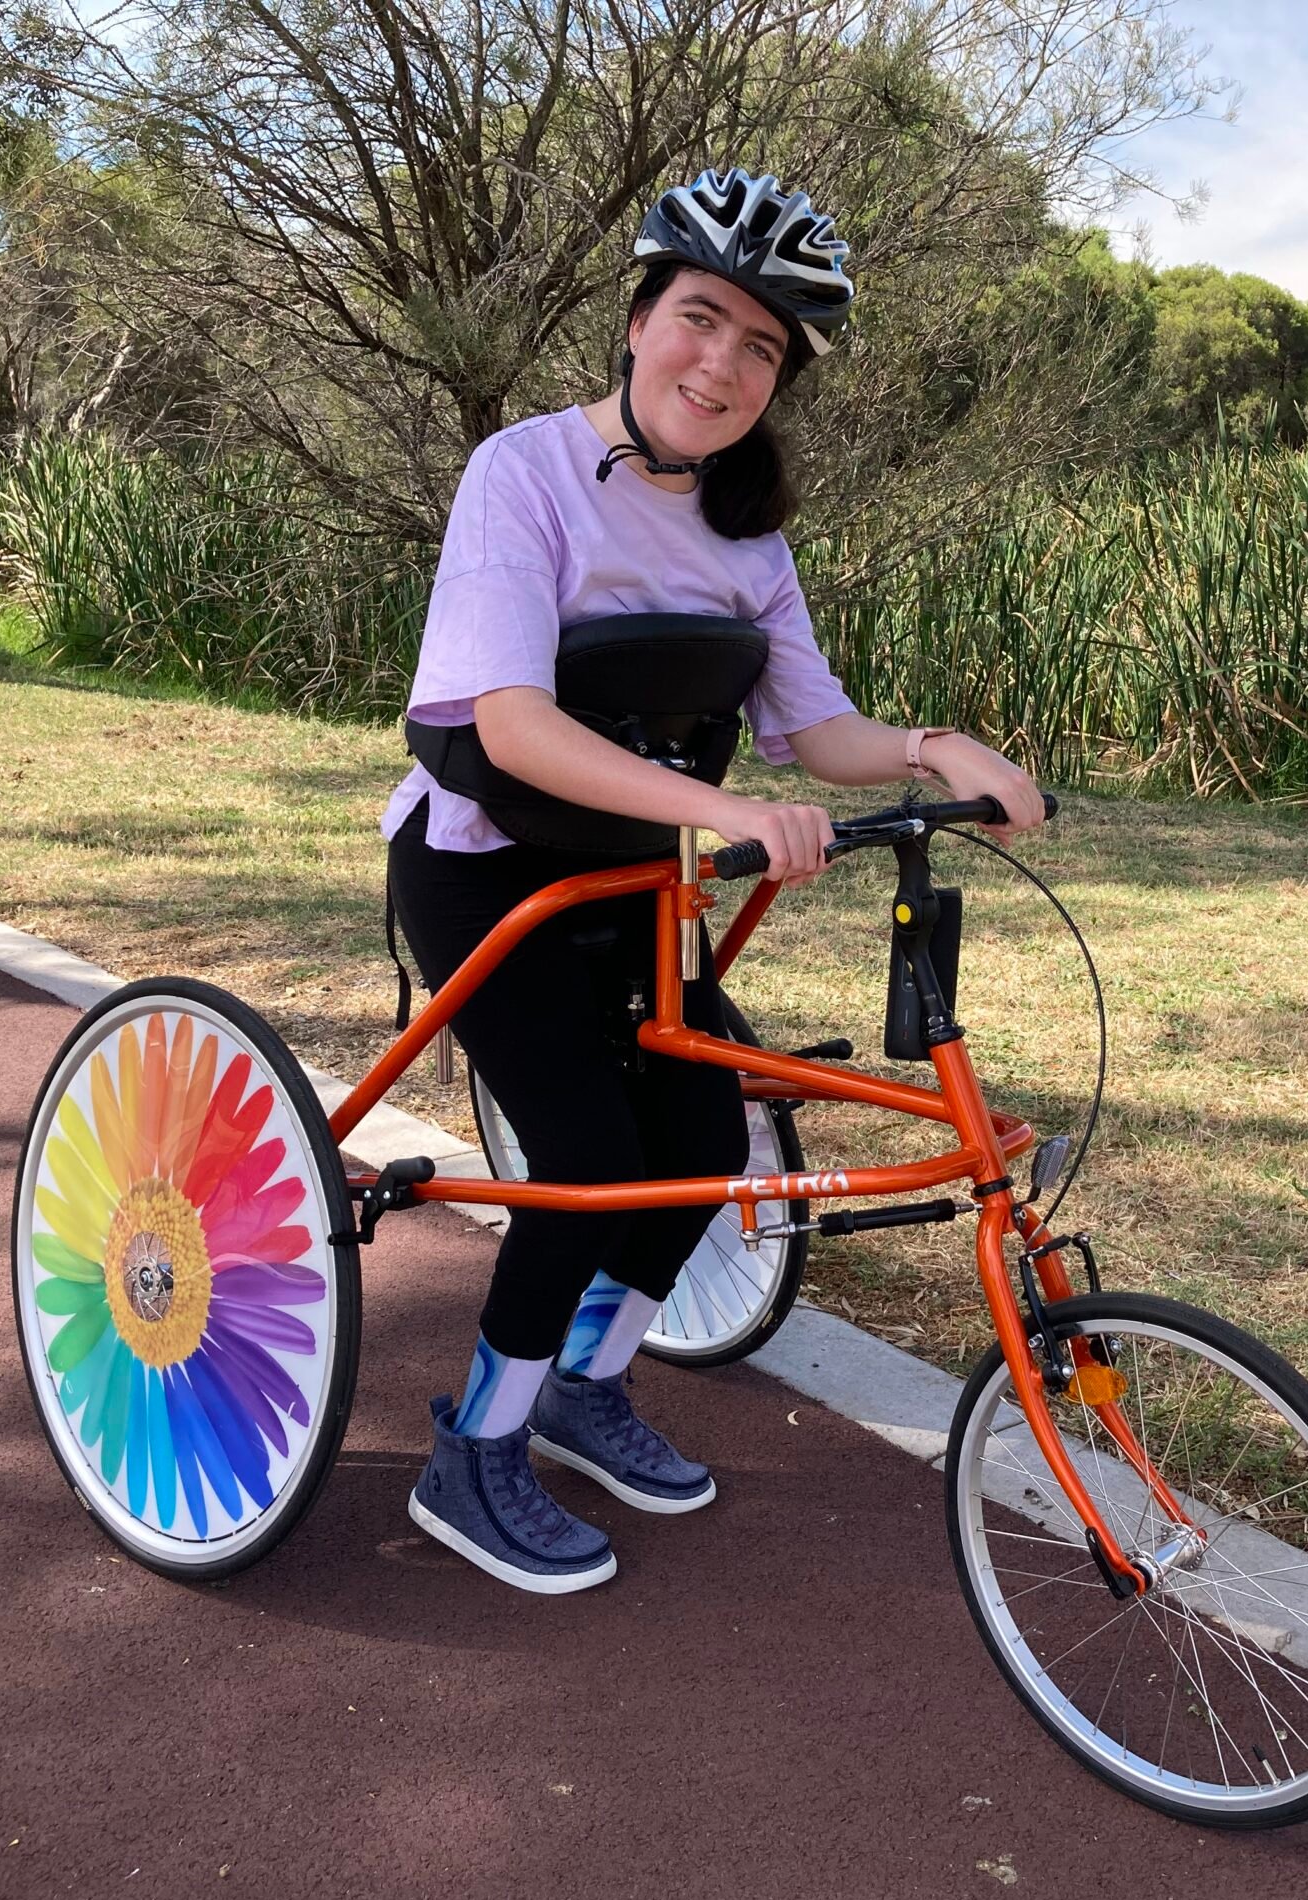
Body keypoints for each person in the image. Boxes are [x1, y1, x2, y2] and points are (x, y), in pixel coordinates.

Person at [382, 167, 1047, 1594]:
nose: (725, 364)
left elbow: (814, 730)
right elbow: (511, 724)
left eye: (764, 348)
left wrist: (939, 751)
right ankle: (471, 1452)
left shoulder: (750, 539)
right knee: (585, 1164)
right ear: (637, 321)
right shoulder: (525, 472)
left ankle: (580, 1388)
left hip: (632, 885)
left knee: (703, 1138)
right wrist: (722, 807)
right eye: (703, 319)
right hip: (483, 872)